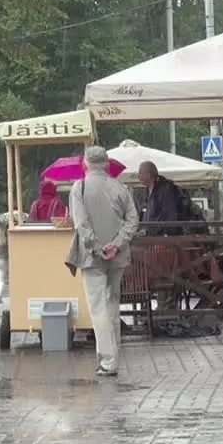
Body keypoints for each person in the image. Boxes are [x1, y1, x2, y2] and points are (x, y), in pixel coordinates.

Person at [65, 146, 138, 378]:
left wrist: (97, 247)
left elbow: (81, 224)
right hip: (118, 257)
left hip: (92, 258)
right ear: (107, 163)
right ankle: (114, 356)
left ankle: (108, 361)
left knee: (98, 309)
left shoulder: (80, 187)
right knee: (113, 305)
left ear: (85, 163)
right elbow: (133, 221)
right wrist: (116, 244)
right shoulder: (120, 187)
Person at [137, 161, 187, 236]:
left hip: (163, 238)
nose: (138, 175)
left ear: (149, 174)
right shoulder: (147, 192)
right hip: (149, 237)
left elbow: (169, 214)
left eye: (140, 172)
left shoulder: (165, 189)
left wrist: (165, 234)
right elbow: (145, 213)